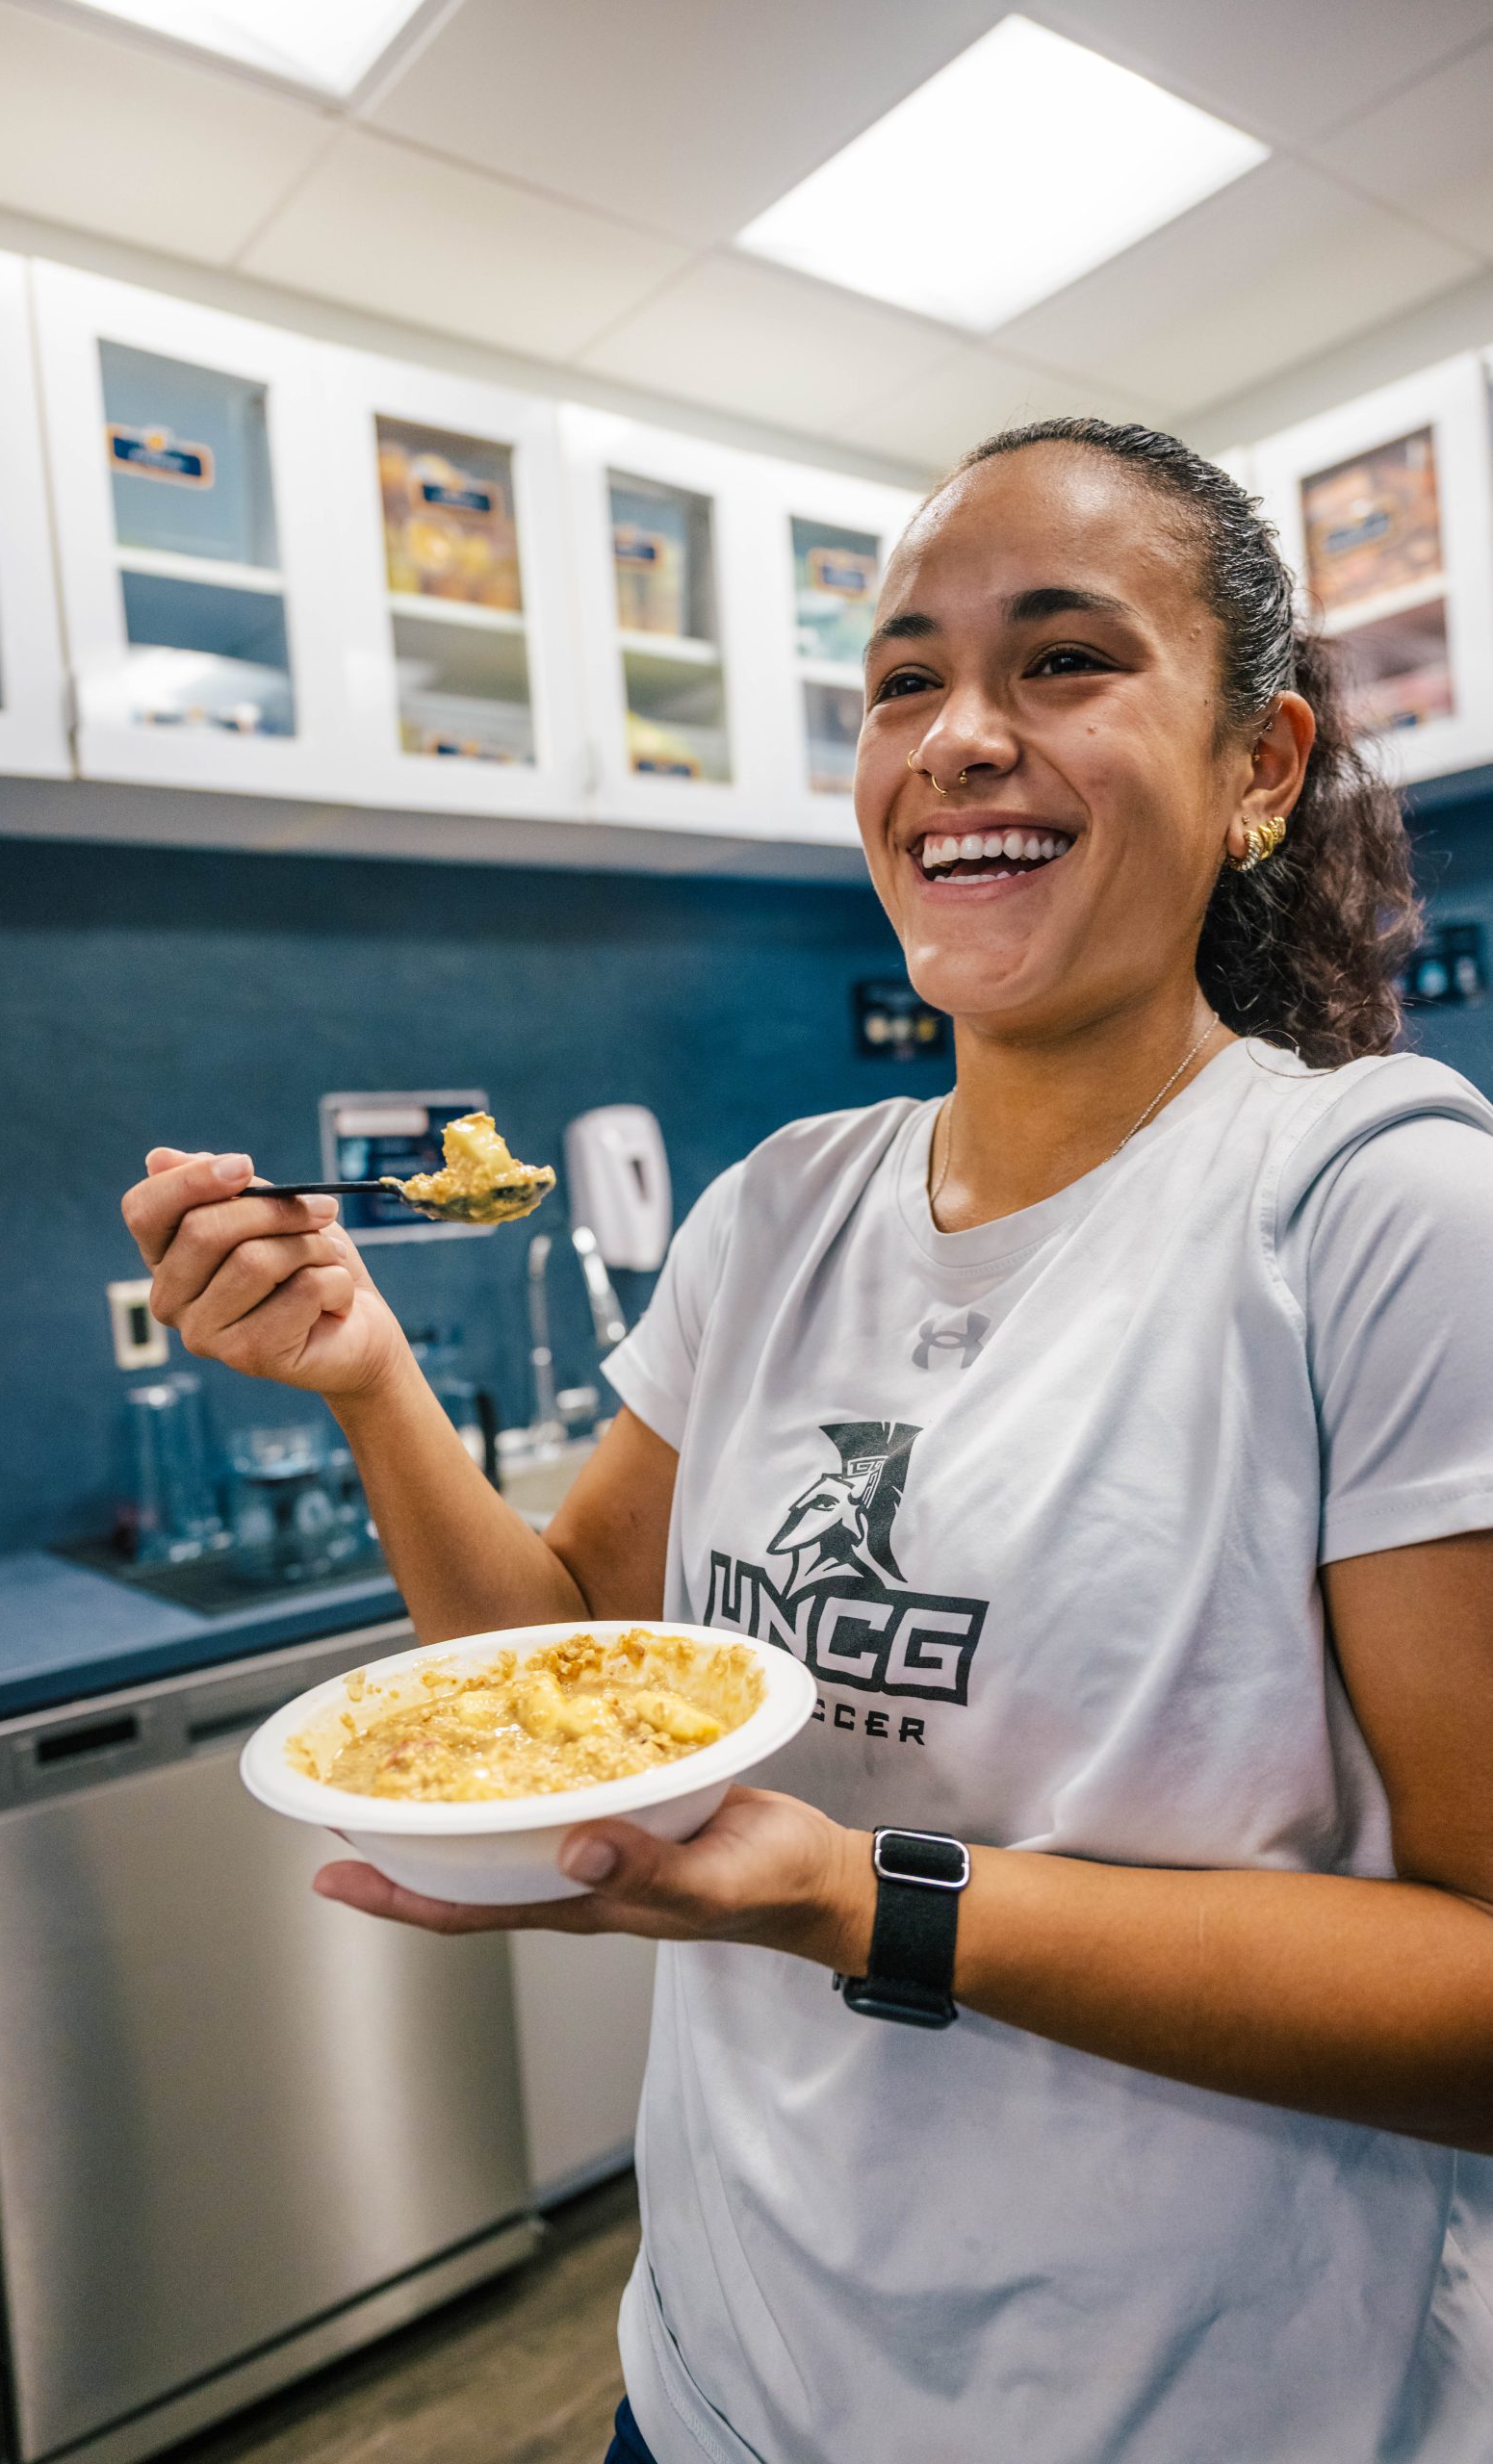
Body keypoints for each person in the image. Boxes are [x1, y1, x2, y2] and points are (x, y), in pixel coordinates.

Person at [122, 420, 1493, 2464]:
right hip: (715, 2389)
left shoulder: (1374, 1209)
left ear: (1257, 769)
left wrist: (860, 1897)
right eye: (901, 679)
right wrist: (367, 1375)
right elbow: (559, 1632)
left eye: (1060, 660)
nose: (955, 736)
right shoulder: (774, 1208)